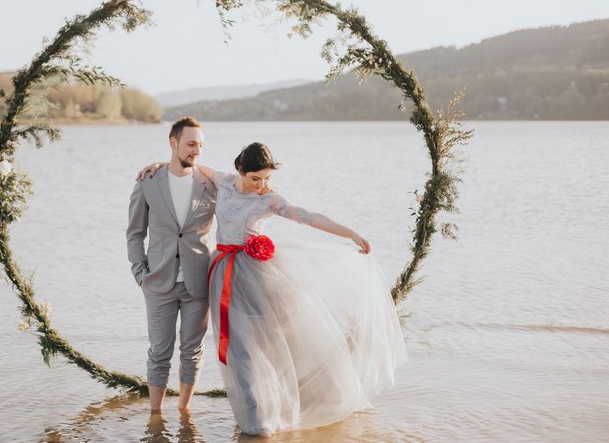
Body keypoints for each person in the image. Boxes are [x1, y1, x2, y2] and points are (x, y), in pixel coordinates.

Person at [139, 142, 406, 435]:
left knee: (265, 346)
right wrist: (159, 166)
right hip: (223, 275)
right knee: (239, 352)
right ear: (240, 170)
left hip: (257, 278)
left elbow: (308, 216)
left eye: (266, 179)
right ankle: (254, 417)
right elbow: (188, 166)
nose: (262, 185)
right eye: (256, 178)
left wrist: (351, 234)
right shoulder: (223, 181)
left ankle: (279, 412)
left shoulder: (269, 200)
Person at [126, 117, 217, 413]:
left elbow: (243, 188)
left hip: (197, 283)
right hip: (158, 282)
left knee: (192, 352)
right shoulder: (148, 182)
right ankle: (155, 416)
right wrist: (140, 274)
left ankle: (184, 412)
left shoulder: (211, 183)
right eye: (191, 144)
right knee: (159, 352)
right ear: (173, 142)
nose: (197, 151)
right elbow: (135, 233)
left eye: (201, 145)